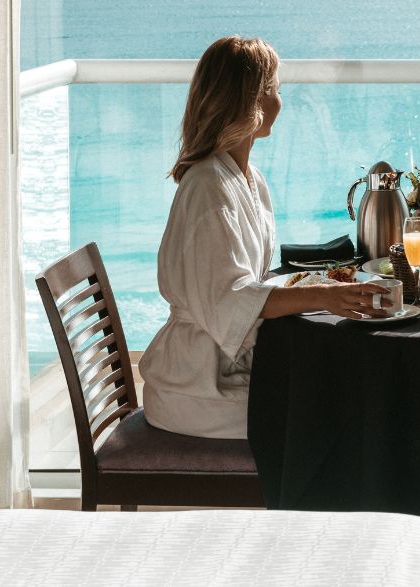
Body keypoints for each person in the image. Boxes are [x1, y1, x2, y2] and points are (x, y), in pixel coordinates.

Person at [139, 35, 380, 439]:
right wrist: (325, 295)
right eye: (275, 89)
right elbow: (229, 299)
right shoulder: (208, 190)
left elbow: (246, 288)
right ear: (250, 101)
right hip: (198, 390)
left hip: (222, 368)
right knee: (337, 410)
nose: (280, 101)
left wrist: (321, 288)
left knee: (343, 391)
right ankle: (307, 501)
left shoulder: (246, 178)